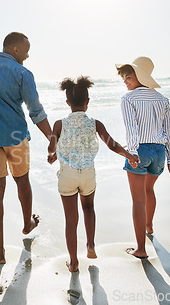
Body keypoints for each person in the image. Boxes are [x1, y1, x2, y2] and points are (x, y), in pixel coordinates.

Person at [47, 76, 139, 272]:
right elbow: (112, 145)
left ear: (67, 103)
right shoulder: (96, 124)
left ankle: (73, 263)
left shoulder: (59, 124)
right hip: (88, 173)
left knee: (71, 220)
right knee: (88, 208)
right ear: (87, 102)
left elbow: (51, 146)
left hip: (67, 175)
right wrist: (129, 155)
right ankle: (90, 245)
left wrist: (53, 154)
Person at [0, 32, 52, 264]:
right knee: (22, 180)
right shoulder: (22, 73)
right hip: (15, 136)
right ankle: (27, 224)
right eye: (26, 50)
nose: (28, 55)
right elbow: (35, 110)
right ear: (16, 49)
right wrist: (50, 136)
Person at [116, 56, 170, 259]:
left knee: (138, 200)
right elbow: (168, 131)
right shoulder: (163, 100)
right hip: (159, 152)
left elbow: (131, 129)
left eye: (128, 76)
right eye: (123, 77)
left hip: (139, 151)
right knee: (149, 189)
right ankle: (149, 226)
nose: (125, 80)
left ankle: (141, 249)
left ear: (140, 76)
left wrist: (132, 152)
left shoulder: (128, 99)